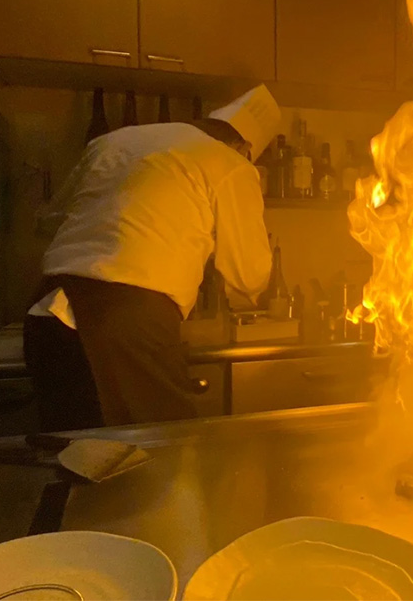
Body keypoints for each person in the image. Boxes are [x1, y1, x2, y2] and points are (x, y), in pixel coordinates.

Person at [24, 85, 279, 431]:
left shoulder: (111, 142)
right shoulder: (230, 164)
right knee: (165, 446)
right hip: (125, 326)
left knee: (74, 448)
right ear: (244, 147)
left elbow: (50, 219)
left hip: (45, 317)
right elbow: (249, 276)